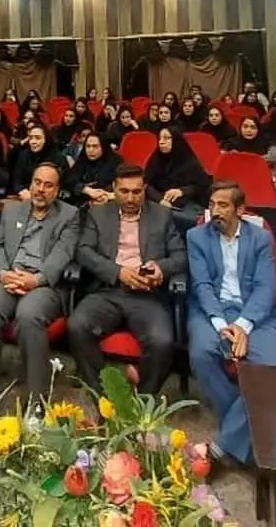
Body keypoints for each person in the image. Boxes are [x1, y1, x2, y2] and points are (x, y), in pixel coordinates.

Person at [187, 182, 276, 463]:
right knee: (201, 353)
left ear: (240, 210)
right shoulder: (196, 236)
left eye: (223, 205)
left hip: (256, 314)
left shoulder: (260, 238)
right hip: (213, 312)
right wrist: (222, 325)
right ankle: (246, 430)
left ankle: (224, 445)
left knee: (270, 369)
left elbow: (265, 288)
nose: (215, 211)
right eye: (212, 205)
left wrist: (243, 326)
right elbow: (202, 285)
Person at [69, 163, 187, 395]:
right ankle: (104, 394)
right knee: (77, 326)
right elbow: (83, 251)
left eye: (136, 192)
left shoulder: (162, 215)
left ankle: (141, 401)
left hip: (147, 294)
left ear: (144, 189)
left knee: (162, 342)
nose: (131, 198)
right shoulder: (98, 214)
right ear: (114, 188)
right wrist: (117, 272)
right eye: (124, 191)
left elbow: (180, 256)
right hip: (108, 290)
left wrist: (160, 268)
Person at [0, 164, 81, 399]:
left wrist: (36, 280)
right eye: (37, 182)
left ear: (57, 191)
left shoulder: (69, 215)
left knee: (28, 317)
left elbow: (63, 253)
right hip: (9, 277)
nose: (40, 189)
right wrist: (2, 273)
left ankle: (37, 398)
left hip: (43, 284)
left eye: (48, 185)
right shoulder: (12, 210)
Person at [144, 126, 212, 233]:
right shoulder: (155, 160)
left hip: (185, 204)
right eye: (160, 138)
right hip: (158, 202)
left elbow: (202, 186)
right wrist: (160, 200)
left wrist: (182, 191)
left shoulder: (189, 162)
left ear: (176, 141)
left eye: (166, 138)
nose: (161, 142)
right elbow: (146, 185)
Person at [61, 133, 121, 212]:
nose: (91, 150)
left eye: (95, 146)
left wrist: (108, 195)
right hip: (82, 202)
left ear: (103, 147)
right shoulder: (82, 160)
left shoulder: (115, 162)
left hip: (109, 202)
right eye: (88, 146)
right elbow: (69, 180)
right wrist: (86, 190)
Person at [8, 124, 59, 196]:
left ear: (46, 140)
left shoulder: (56, 157)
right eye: (31, 138)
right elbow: (16, 178)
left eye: (38, 138)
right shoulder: (24, 154)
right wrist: (21, 190)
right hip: (24, 194)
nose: (33, 142)